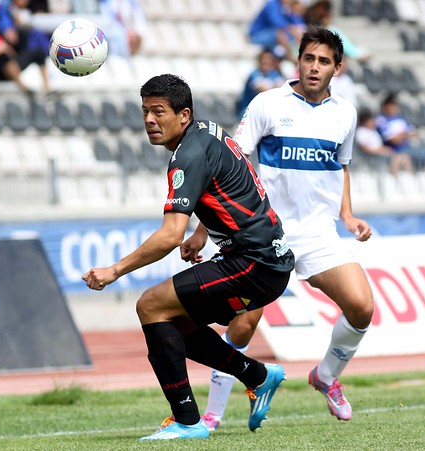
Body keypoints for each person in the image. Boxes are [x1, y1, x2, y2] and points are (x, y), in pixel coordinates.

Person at [82, 74, 295, 440]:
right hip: (266, 260)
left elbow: (168, 236)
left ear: (183, 115)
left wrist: (114, 270)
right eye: (145, 111)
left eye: (158, 112)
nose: (149, 119)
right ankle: (258, 377)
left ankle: (187, 422)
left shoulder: (187, 156)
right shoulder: (206, 131)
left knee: (150, 306)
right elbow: (229, 181)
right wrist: (203, 232)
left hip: (253, 264)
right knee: (174, 327)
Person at [201, 26, 374, 431]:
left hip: (317, 235)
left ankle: (326, 376)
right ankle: (212, 415)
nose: (314, 68)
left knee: (362, 307)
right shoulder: (267, 103)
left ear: (338, 67)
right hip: (265, 235)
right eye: (308, 59)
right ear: (297, 61)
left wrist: (347, 216)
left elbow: (341, 166)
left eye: (324, 61)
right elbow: (231, 164)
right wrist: (202, 229)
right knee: (241, 325)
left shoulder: (345, 113)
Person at [375, 93, 425, 173]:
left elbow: (414, 133)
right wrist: (404, 134)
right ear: (385, 106)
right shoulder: (381, 120)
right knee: (404, 157)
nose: (393, 107)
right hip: (395, 150)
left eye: (394, 105)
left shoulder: (401, 119)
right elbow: (392, 140)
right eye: (391, 105)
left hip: (408, 147)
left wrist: (401, 135)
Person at [355, 107, 413, 174]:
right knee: (396, 157)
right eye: (371, 120)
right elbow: (366, 148)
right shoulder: (361, 132)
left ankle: (408, 178)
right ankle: (394, 178)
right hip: (371, 158)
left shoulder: (374, 131)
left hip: (380, 156)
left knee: (404, 156)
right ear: (365, 122)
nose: (373, 122)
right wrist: (382, 150)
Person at [236, 48, 286, 119]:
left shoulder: (275, 74)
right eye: (264, 58)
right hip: (248, 111)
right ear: (259, 60)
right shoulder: (253, 74)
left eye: (269, 59)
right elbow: (262, 88)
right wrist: (274, 87)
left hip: (266, 112)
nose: (266, 61)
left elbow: (282, 88)